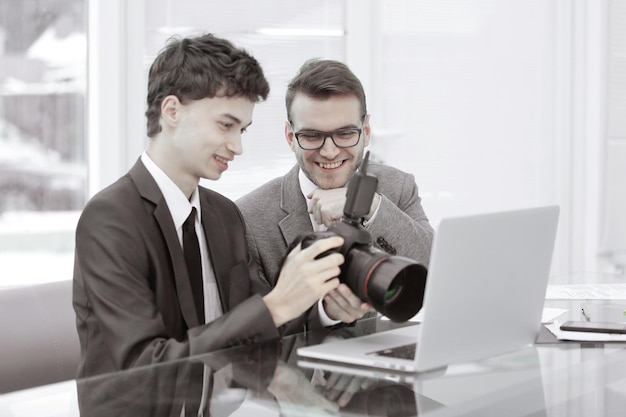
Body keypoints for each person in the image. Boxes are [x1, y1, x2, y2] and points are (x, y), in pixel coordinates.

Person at [72, 34, 346, 380]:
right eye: (226, 125)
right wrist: (274, 306)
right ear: (171, 111)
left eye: (242, 130)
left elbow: (257, 325)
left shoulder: (224, 216)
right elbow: (143, 365)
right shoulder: (110, 219)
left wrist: (326, 309)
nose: (237, 146)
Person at [236, 58, 434, 329]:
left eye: (345, 133)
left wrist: (370, 206)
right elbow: (251, 335)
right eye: (312, 136)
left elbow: (433, 271)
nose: (329, 151)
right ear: (290, 136)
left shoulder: (396, 187)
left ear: (365, 131)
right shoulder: (248, 219)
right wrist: (325, 314)